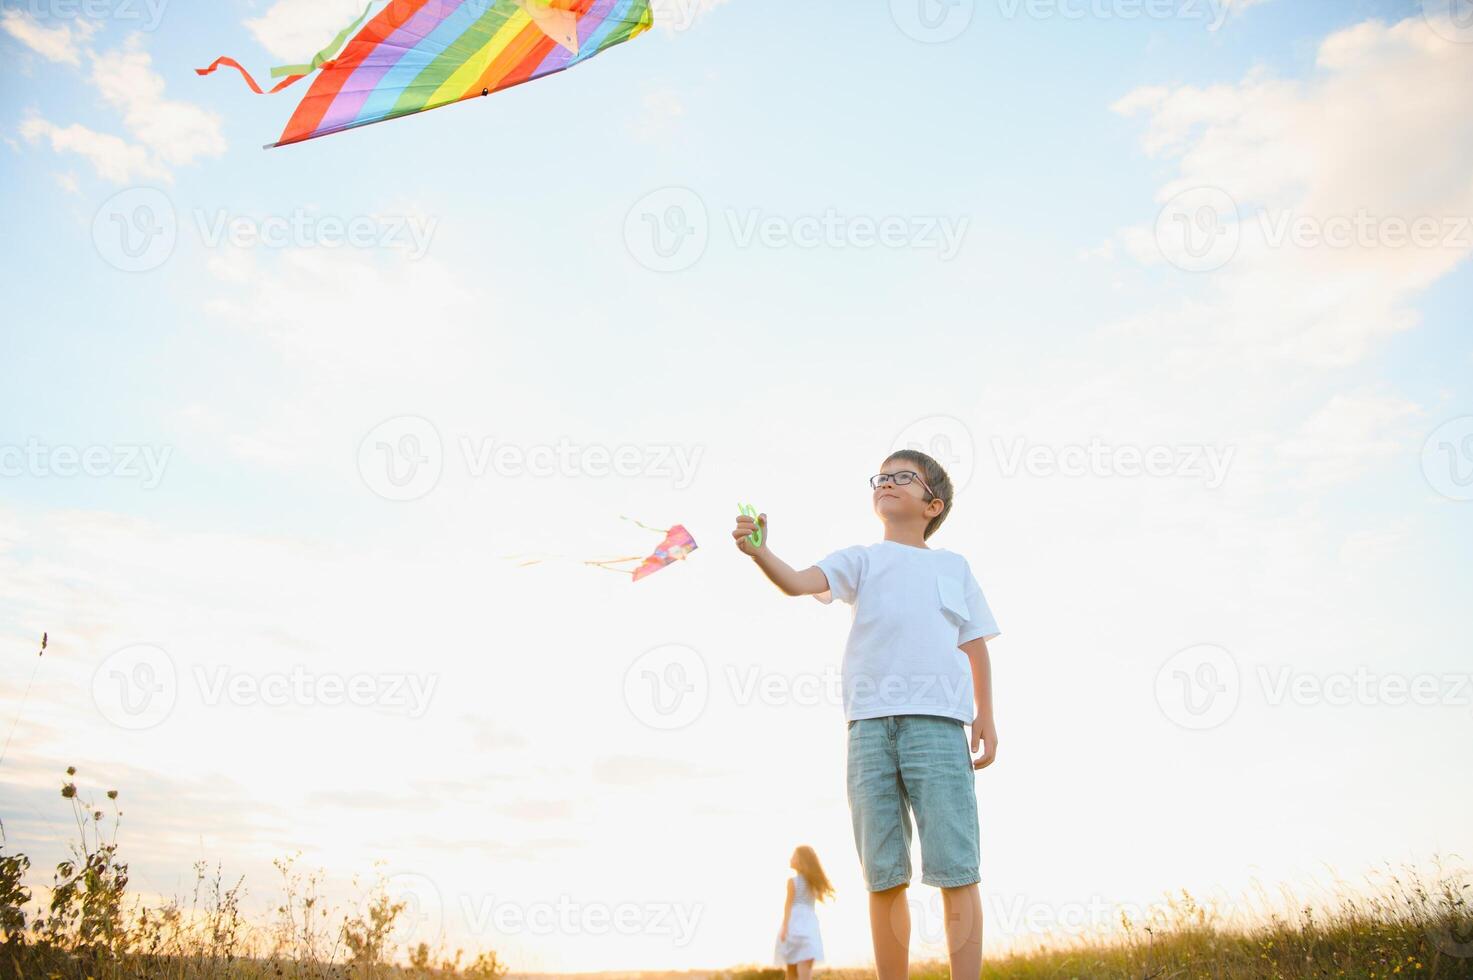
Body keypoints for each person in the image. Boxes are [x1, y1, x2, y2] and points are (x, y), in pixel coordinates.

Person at [734, 449, 1000, 980]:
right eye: (882, 477)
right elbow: (797, 581)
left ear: (933, 504)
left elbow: (975, 644)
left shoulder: (953, 566)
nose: (888, 482)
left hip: (940, 725)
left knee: (956, 867)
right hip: (871, 729)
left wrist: (985, 717)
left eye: (905, 477)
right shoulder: (860, 559)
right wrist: (760, 553)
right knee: (883, 874)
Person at [773, 845, 833, 978]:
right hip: (809, 926)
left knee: (791, 969)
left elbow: (788, 905)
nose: (790, 858)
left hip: (794, 924)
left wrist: (784, 927)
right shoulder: (814, 883)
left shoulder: (792, 882)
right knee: (805, 970)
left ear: (800, 861)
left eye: (793, 856)